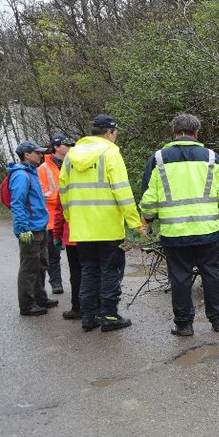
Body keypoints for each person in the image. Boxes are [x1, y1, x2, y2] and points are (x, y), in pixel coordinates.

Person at [139, 113, 219, 337]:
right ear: (196, 133)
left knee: (180, 278)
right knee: (212, 273)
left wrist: (147, 219)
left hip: (175, 233)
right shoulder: (211, 157)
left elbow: (149, 198)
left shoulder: (159, 159)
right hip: (207, 230)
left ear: (174, 133)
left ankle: (184, 325)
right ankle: (218, 321)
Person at [59, 114, 146, 332]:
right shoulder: (110, 152)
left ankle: (88, 317)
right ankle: (109, 316)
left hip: (82, 227)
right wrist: (135, 223)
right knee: (110, 271)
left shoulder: (71, 156)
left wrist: (71, 218)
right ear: (109, 132)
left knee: (88, 270)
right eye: (115, 133)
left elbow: (64, 192)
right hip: (107, 227)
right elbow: (122, 190)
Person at [8, 140, 59, 316]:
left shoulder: (33, 173)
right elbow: (18, 204)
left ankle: (40, 297)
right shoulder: (21, 175)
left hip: (40, 226)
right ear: (27, 155)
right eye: (37, 152)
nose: (41, 155)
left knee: (41, 265)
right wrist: (23, 229)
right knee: (29, 268)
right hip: (29, 229)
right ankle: (27, 305)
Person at [38, 134, 75, 294]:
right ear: (57, 147)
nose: (70, 147)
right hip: (51, 219)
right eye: (67, 145)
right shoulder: (43, 168)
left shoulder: (72, 164)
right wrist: (62, 196)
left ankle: (77, 285)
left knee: (76, 255)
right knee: (53, 256)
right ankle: (56, 282)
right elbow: (43, 194)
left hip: (70, 217)